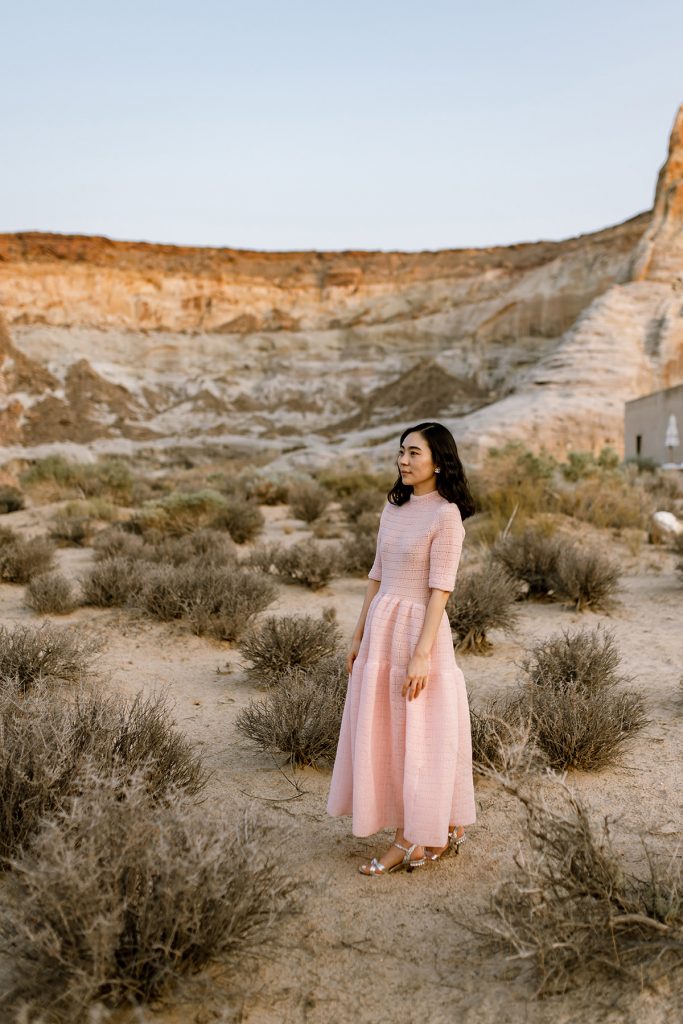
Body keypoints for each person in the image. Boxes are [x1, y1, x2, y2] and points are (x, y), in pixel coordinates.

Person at [326, 421, 477, 875]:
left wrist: (422, 653)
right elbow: (376, 575)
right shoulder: (393, 508)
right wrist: (357, 634)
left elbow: (440, 591)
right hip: (381, 627)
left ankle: (410, 838)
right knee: (389, 730)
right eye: (402, 452)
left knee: (423, 732)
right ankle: (443, 826)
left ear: (438, 460)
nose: (404, 461)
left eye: (414, 453)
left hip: (418, 630)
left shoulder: (445, 516)